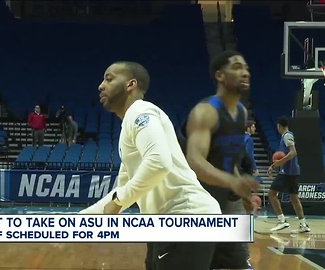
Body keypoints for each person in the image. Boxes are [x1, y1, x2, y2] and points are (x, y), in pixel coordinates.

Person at [80, 61, 221, 270]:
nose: (100, 85)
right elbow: (122, 193)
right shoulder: (130, 125)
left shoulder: (140, 111)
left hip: (187, 218)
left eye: (109, 79)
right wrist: (77, 222)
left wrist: (119, 200)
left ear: (131, 85)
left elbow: (158, 163)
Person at [185, 50, 260, 269]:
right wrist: (232, 182)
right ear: (220, 75)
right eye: (237, 67)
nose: (245, 73)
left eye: (246, 68)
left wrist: (242, 191)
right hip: (199, 205)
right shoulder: (205, 111)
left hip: (229, 203)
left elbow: (231, 160)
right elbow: (195, 161)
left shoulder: (242, 113)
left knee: (240, 264)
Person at [267, 116, 310, 233]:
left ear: (279, 126)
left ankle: (282, 221)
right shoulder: (285, 136)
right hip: (292, 171)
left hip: (288, 172)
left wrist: (276, 164)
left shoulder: (287, 136)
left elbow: (293, 153)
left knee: (271, 194)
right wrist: (276, 165)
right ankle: (303, 224)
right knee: (294, 197)